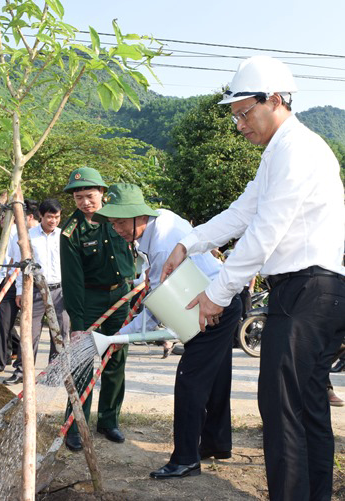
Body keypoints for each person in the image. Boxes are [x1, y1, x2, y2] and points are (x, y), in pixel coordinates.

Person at [162, 56, 345, 500]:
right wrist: (191, 241)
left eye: (244, 113)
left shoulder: (297, 149)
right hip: (310, 292)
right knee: (306, 408)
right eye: (235, 116)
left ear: (276, 100)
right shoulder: (278, 154)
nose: (240, 125)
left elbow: (266, 231)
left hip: (308, 289)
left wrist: (217, 292)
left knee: (283, 411)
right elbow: (242, 213)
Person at [93, 183, 242, 478]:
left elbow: (158, 305)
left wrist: (123, 334)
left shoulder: (161, 244)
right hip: (218, 300)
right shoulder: (161, 218)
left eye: (121, 222)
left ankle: (185, 459)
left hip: (211, 310)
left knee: (190, 383)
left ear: (139, 216)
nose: (117, 229)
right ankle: (215, 443)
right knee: (217, 377)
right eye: (112, 223)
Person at [60, 167, 135, 452]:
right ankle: (77, 424)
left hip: (120, 298)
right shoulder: (71, 232)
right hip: (89, 301)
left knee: (116, 360)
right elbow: (72, 281)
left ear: (102, 193)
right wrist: (78, 323)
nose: (84, 202)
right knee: (82, 364)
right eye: (78, 197)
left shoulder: (119, 217)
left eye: (89, 195)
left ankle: (108, 421)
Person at [6, 198, 70, 385]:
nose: (53, 221)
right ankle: (22, 372)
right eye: (49, 217)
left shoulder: (64, 236)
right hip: (34, 291)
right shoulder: (28, 236)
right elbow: (20, 267)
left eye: (57, 217)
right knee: (30, 333)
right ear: (40, 216)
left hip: (59, 291)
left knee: (61, 332)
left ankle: (55, 373)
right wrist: (19, 291)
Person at [0, 200, 40, 377]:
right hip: (9, 283)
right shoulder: (10, 235)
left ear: (29, 217)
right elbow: (6, 260)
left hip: (30, 284)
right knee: (3, 324)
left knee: (29, 328)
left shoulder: (37, 235)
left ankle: (22, 367)